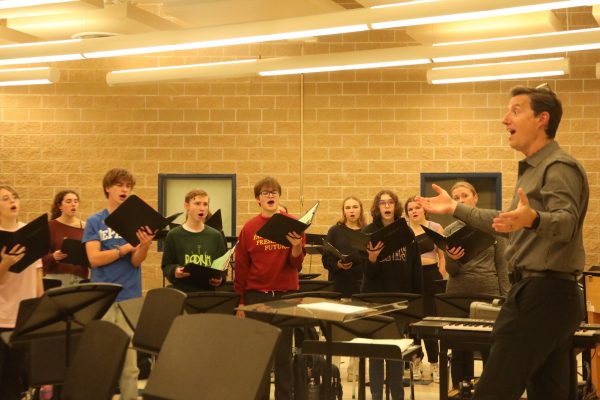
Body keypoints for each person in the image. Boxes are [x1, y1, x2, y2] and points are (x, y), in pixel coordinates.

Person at [417, 84, 587, 400]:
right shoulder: (532, 172)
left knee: (494, 391)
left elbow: (566, 224)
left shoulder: (558, 167)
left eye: (516, 110)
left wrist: (533, 218)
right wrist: (455, 208)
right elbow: (504, 224)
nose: (504, 118)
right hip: (547, 295)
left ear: (542, 119)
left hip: (542, 294)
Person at [83, 168, 155, 400]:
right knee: (99, 359)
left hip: (129, 296)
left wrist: (144, 245)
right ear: (108, 188)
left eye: (128, 186)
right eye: (120, 185)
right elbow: (94, 259)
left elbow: (135, 261)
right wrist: (123, 248)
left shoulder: (136, 221)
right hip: (102, 298)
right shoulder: (95, 221)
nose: (124, 190)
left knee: (130, 363)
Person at [234, 176, 305, 400]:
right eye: (265, 193)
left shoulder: (292, 223)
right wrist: (242, 301)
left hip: (286, 296)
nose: (270, 195)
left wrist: (295, 247)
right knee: (259, 356)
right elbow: (242, 268)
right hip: (257, 297)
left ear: (279, 196)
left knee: (284, 356)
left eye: (274, 192)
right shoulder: (249, 228)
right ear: (258, 199)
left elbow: (296, 264)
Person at [443, 181, 510, 389]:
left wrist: (506, 299)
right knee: (459, 351)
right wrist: (452, 258)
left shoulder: (494, 227)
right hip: (457, 296)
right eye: (456, 198)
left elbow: (502, 266)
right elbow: (452, 271)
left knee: (489, 349)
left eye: (464, 196)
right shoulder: (449, 230)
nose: (460, 200)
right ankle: (459, 392)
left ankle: (489, 393)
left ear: (475, 198)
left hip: (488, 296)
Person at [362, 190, 422, 400]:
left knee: (396, 352)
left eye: (390, 202)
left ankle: (398, 396)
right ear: (377, 208)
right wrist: (371, 259)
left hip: (401, 299)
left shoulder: (406, 232)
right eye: (382, 203)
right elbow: (367, 276)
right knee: (377, 353)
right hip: (376, 299)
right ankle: (377, 396)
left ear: (395, 206)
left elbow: (416, 268)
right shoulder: (369, 232)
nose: (386, 206)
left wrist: (416, 304)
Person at [0, 186, 44, 400]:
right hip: (1, 316)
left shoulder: (30, 233)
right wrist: (6, 263)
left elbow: (37, 278)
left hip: (24, 317)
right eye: (5, 198)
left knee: (16, 376)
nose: (11, 201)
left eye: (14, 197)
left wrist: (40, 312)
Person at [405, 196, 446, 382]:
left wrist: (441, 273)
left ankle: (435, 364)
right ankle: (416, 362)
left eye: (417, 208)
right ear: (407, 214)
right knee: (414, 323)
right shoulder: (405, 231)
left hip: (431, 277)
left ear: (424, 210)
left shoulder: (435, 227)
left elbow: (443, 254)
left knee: (429, 322)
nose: (414, 211)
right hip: (412, 279)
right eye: (410, 209)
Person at [161, 189, 227, 292]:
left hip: (208, 295)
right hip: (182, 295)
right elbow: (166, 266)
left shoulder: (216, 236)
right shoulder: (173, 235)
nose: (202, 208)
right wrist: (175, 271)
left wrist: (220, 279)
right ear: (187, 206)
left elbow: (223, 269)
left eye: (205, 204)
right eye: (197, 204)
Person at [322, 196, 366, 298]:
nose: (352, 211)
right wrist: (338, 265)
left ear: (361, 210)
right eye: (348, 208)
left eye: (355, 207)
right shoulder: (335, 231)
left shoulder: (366, 231)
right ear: (344, 211)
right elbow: (326, 259)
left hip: (361, 284)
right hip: (339, 283)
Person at [42, 190, 88, 286]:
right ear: (60, 206)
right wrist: (53, 256)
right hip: (56, 279)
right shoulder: (50, 226)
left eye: (76, 201)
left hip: (79, 279)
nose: (73, 204)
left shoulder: (86, 227)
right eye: (68, 201)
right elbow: (39, 256)